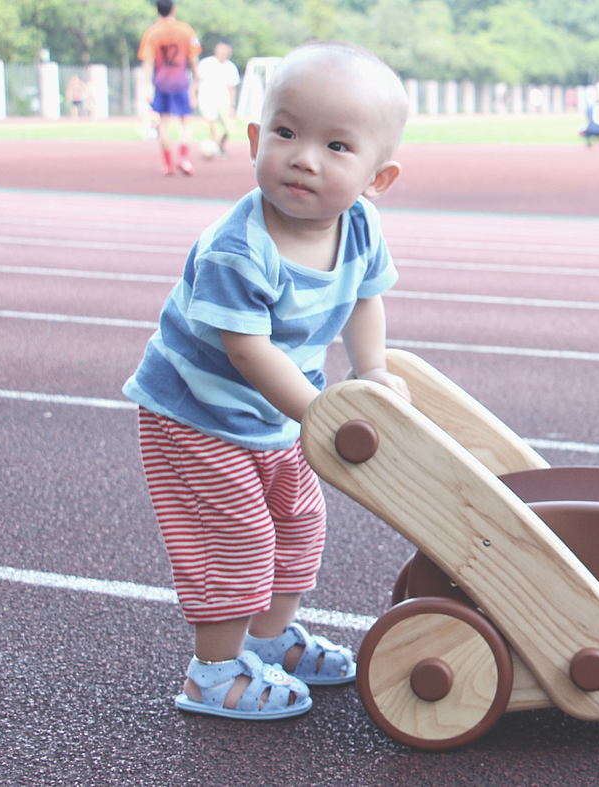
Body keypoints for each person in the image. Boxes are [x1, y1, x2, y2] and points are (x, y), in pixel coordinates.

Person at [122, 41, 412, 721]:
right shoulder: (237, 247)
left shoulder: (360, 225)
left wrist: (372, 370)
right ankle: (212, 673)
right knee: (238, 541)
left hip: (278, 412)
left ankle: (272, 638)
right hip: (196, 414)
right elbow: (248, 351)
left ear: (378, 177)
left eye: (337, 146)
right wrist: (320, 411)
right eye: (285, 133)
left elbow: (365, 298)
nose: (304, 156)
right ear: (255, 138)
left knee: (299, 520)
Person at [139, 0, 202, 175]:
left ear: (157, 11)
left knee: (164, 123)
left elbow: (148, 61)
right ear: (173, 9)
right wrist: (197, 80)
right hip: (180, 82)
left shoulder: (152, 33)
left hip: (161, 83)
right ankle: (183, 157)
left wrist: (146, 85)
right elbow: (193, 58)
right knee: (187, 121)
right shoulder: (186, 30)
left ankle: (168, 164)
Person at [198, 41, 241, 157]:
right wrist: (193, 95)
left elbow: (232, 88)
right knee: (212, 121)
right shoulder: (206, 63)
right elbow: (197, 80)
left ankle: (219, 146)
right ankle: (215, 146)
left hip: (224, 101)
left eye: (226, 50)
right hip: (207, 99)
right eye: (221, 49)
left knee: (229, 128)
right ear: (216, 50)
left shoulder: (231, 67)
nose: (223, 52)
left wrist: (232, 106)